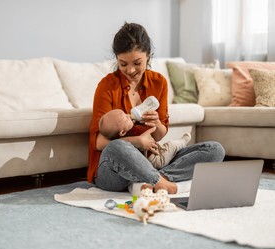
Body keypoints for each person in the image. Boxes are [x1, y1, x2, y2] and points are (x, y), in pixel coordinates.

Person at [87, 22, 225, 194]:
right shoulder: (107, 86)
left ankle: (151, 181)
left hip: (150, 160)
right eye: (123, 64)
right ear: (117, 60)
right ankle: (161, 181)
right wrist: (137, 142)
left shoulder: (158, 82)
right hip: (113, 170)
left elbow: (159, 135)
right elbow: (99, 142)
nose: (130, 70)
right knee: (117, 148)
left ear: (148, 56)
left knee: (215, 150)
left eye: (137, 63)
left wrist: (157, 123)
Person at [98, 108, 191, 169]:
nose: (128, 115)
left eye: (126, 114)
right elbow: (152, 129)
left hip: (148, 158)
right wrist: (150, 123)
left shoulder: (121, 137)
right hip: (156, 160)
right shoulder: (136, 131)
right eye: (126, 118)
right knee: (171, 146)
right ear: (122, 132)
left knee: (167, 149)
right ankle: (183, 142)